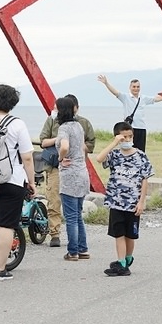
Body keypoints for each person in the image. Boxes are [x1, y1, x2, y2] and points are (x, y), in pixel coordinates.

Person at [0, 83, 36, 281]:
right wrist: (31, 181)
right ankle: (0, 269)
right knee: (7, 225)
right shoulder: (17, 124)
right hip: (12, 179)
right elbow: (27, 157)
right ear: (12, 102)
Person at [94, 122, 152, 276]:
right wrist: (114, 143)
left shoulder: (140, 156)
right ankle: (121, 263)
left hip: (133, 203)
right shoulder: (114, 155)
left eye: (130, 136)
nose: (127, 140)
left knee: (130, 234)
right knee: (118, 233)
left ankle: (127, 258)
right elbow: (99, 158)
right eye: (124, 137)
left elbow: (145, 179)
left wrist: (142, 201)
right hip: (116, 201)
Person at [39, 94, 96, 247]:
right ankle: (57, 234)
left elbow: (89, 144)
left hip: (70, 167)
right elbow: (43, 141)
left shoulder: (81, 123)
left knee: (72, 213)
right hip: (58, 168)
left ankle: (73, 249)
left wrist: (65, 151)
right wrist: (60, 140)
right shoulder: (55, 122)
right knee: (55, 201)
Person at [56, 95, 90, 261]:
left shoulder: (63, 128)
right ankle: (83, 249)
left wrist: (60, 158)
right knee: (77, 214)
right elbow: (82, 147)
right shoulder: (78, 125)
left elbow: (64, 146)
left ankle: (73, 251)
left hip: (70, 174)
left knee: (70, 216)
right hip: (82, 172)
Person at [97, 75, 162, 152]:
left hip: (141, 128)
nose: (136, 88)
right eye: (134, 86)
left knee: (140, 151)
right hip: (130, 128)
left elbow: (156, 99)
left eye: (138, 87)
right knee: (128, 149)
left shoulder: (143, 98)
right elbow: (115, 92)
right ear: (130, 87)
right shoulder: (125, 97)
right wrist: (106, 83)